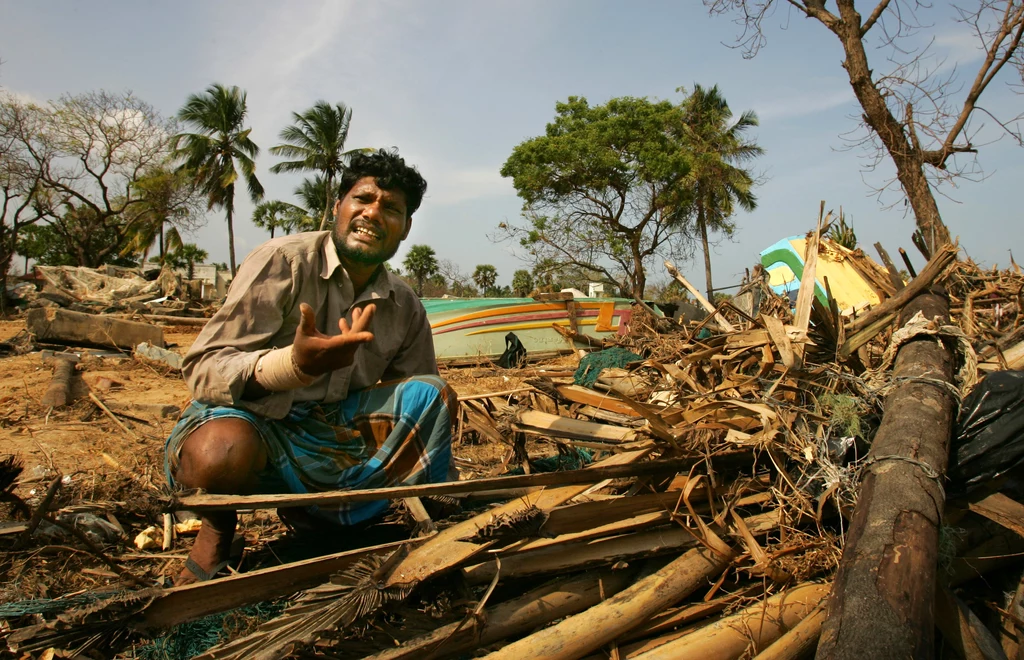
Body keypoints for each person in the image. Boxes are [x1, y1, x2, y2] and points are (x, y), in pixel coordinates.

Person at [164, 149, 456, 585]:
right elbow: (204, 369)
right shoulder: (282, 261)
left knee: (434, 396)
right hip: (256, 418)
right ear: (338, 206)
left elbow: (416, 401)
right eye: (363, 199)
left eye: (390, 208)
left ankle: (331, 516)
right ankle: (217, 535)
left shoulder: (404, 303)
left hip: (329, 430)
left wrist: (445, 487)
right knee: (220, 453)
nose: (372, 214)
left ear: (406, 227)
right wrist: (293, 366)